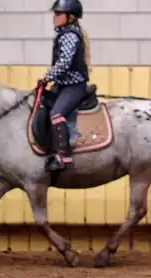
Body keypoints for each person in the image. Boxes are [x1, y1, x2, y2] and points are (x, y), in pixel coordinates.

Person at [38, 0, 90, 172]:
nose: (55, 17)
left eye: (59, 14)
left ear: (70, 17)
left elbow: (64, 63)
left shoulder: (70, 36)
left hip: (74, 86)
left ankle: (64, 156)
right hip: (62, 85)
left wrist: (47, 78)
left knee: (56, 114)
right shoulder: (64, 33)